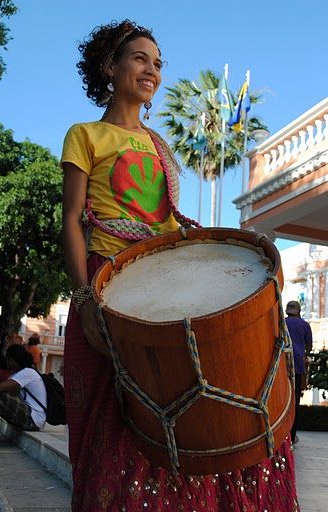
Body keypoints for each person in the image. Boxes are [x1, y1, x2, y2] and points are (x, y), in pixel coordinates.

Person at [61, 19, 300, 511]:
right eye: (139, 58)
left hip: (161, 281)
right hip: (110, 281)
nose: (152, 69)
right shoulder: (85, 135)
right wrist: (84, 300)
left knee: (197, 419)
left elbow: (166, 221)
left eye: (158, 63)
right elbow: (71, 221)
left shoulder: (159, 145)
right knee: (115, 422)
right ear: (110, 66)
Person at [0, 344, 46, 447]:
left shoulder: (28, 372)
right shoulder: (18, 374)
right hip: (28, 417)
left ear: (14, 359)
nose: (8, 363)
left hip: (33, 420)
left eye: (9, 359)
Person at [285, 300, 313, 444]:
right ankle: (292, 437)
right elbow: (309, 347)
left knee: (282, 402)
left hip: (281, 369)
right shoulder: (305, 325)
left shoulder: (282, 323)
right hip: (298, 369)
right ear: (299, 311)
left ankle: (280, 438)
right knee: (294, 403)